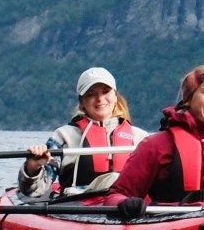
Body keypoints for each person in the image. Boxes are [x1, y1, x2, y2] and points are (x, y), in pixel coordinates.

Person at [95, 66, 204, 213]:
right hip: (166, 226)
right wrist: (125, 203)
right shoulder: (156, 146)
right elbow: (116, 194)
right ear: (188, 100)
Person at [17, 67, 147, 200]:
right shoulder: (64, 137)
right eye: (91, 94)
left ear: (115, 96)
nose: (100, 99)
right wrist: (33, 167)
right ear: (82, 102)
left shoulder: (140, 138)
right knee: (113, 179)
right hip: (79, 208)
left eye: (105, 92)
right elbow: (35, 191)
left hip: (129, 207)